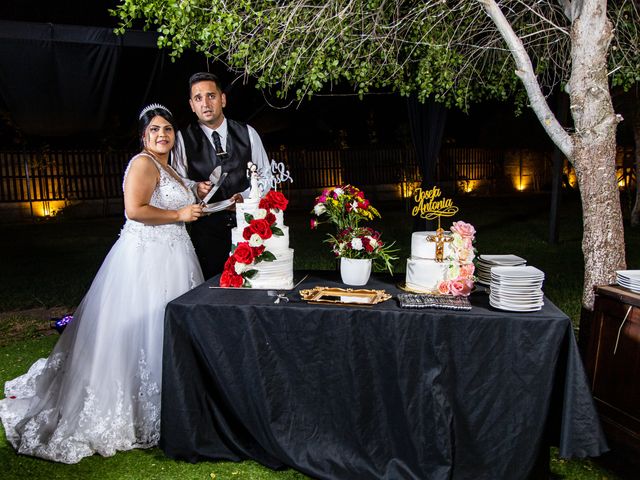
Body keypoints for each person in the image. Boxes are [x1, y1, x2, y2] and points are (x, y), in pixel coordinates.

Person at [0, 104, 205, 464]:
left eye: (168, 130)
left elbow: (174, 197)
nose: (162, 135)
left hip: (175, 255)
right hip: (148, 260)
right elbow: (135, 209)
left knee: (167, 328)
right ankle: (138, 405)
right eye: (155, 130)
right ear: (144, 136)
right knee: (146, 326)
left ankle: (171, 398)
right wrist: (178, 214)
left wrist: (197, 191)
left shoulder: (169, 165)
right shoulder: (143, 163)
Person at [172, 72, 273, 279]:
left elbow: (265, 176)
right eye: (198, 98)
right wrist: (195, 188)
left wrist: (245, 197)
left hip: (248, 227)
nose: (205, 104)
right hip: (207, 230)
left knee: (252, 283)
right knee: (213, 286)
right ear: (192, 105)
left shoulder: (248, 133)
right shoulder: (183, 139)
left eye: (211, 96)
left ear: (223, 99)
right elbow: (178, 181)